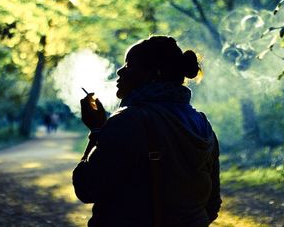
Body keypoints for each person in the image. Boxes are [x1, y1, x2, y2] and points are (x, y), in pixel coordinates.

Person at [72, 36, 221, 227]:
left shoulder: (127, 121)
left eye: (129, 65)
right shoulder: (202, 123)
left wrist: (97, 129)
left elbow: (86, 188)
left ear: (153, 73)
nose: (119, 71)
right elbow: (212, 205)